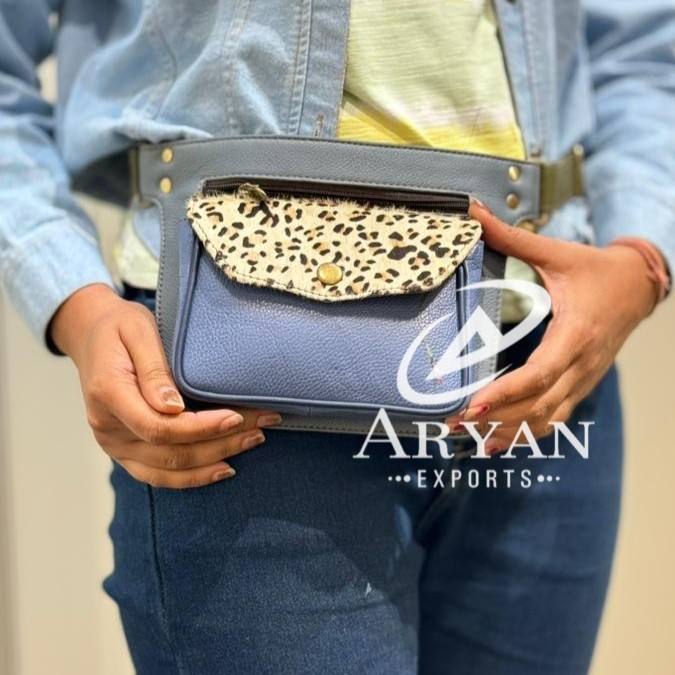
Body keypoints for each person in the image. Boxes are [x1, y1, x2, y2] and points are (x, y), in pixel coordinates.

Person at [0, 1, 672, 673]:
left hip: (547, 368)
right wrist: (74, 301)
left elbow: (641, 46)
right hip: (250, 393)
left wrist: (641, 259)